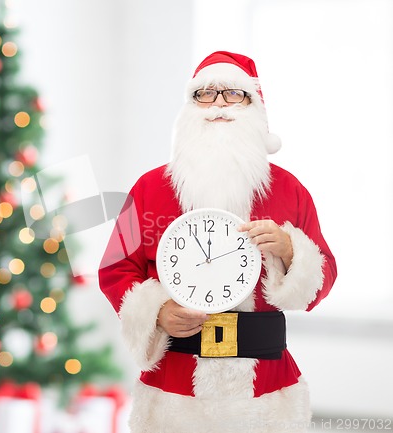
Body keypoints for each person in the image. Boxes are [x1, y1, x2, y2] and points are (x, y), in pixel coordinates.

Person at [98, 51, 337, 433]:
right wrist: (157, 312)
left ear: (255, 108)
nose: (219, 104)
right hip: (175, 388)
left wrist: (291, 250)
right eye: (205, 94)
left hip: (266, 388)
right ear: (189, 108)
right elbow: (116, 269)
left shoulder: (290, 190)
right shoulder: (148, 189)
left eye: (234, 94)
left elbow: (324, 276)